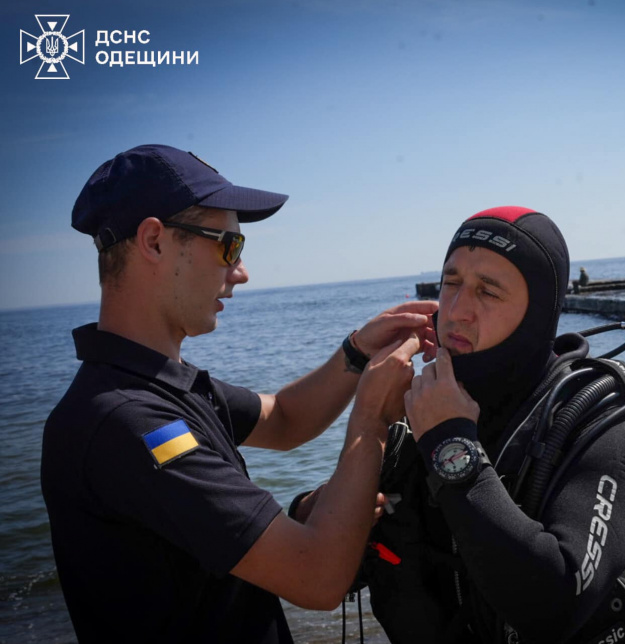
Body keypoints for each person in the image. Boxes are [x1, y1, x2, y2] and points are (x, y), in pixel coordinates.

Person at [41, 144, 437, 643]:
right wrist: (373, 418)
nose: (242, 271)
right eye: (229, 245)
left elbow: (285, 419)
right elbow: (317, 578)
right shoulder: (127, 421)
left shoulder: (160, 383)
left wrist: (357, 352)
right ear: (154, 242)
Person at [362, 206, 625, 643]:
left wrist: (451, 450)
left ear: (537, 312)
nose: (456, 311)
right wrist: (361, 436)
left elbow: (558, 603)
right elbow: (330, 573)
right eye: (451, 282)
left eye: (488, 292)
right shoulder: (419, 412)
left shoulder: (610, 430)